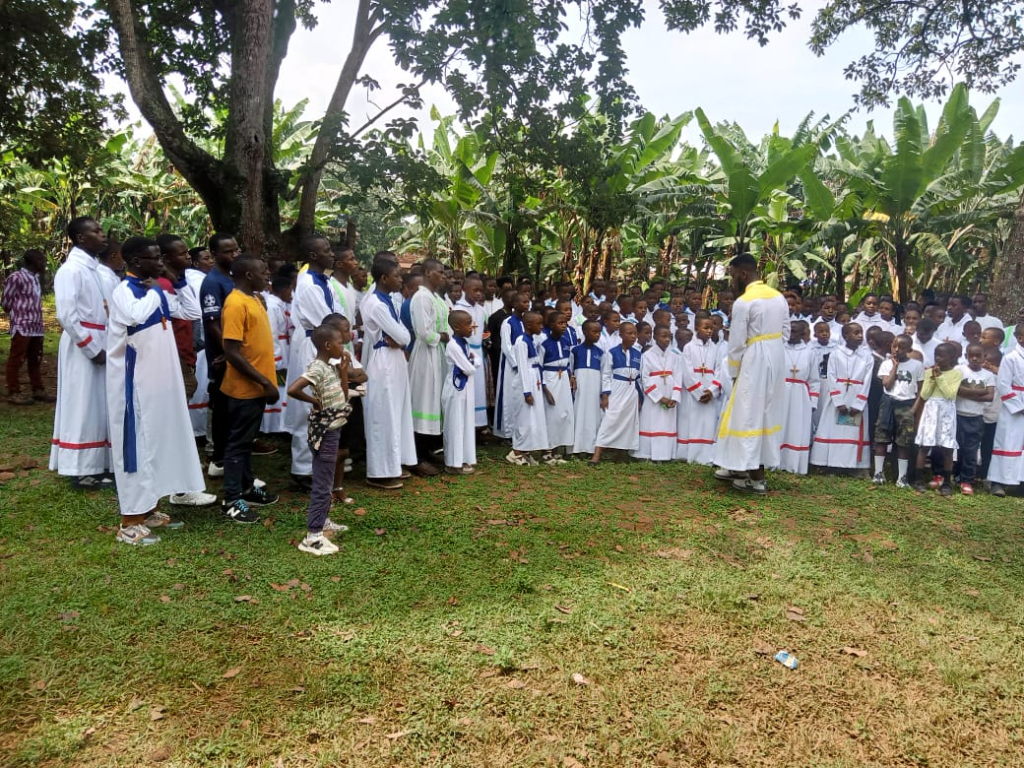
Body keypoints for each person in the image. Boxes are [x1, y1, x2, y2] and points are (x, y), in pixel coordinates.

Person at [106, 237, 210, 545]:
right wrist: (155, 290)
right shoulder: (124, 291)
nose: (161, 263)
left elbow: (192, 311)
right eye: (155, 258)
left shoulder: (156, 291)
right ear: (137, 262)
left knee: (157, 441)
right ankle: (130, 521)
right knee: (136, 446)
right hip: (134, 383)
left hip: (160, 380)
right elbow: (134, 316)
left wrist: (179, 283)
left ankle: (150, 509)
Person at [712, 254, 790, 494]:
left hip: (754, 358)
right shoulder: (778, 297)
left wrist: (735, 371)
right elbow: (786, 332)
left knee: (748, 414)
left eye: (733, 275)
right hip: (776, 357)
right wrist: (772, 350)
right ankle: (737, 466)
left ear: (743, 274)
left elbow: (736, 343)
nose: (732, 281)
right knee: (757, 412)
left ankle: (756, 479)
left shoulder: (744, 302)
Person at [50, 216, 113, 488]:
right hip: (83, 344)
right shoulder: (71, 270)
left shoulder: (97, 270)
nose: (103, 234)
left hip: (102, 338)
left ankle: (98, 463)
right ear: (81, 238)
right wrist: (92, 348)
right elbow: (66, 314)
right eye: (96, 231)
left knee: (99, 403)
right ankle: (80, 468)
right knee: (82, 403)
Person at [219, 256, 281, 523]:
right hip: (245, 389)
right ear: (247, 274)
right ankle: (232, 500)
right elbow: (232, 351)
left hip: (257, 387)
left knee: (246, 442)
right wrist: (264, 382)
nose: (267, 274)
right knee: (237, 444)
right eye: (262, 271)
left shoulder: (254, 298)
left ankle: (246, 487)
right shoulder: (235, 303)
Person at [286, 323, 353, 555]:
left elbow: (343, 396)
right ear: (327, 345)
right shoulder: (317, 368)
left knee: (326, 479)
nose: (343, 346)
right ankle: (313, 536)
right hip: (324, 432)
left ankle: (323, 522)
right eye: (340, 343)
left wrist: (343, 372)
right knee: (323, 484)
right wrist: (314, 402)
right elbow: (293, 389)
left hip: (333, 429)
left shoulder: (329, 367)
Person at [285, 236, 337, 491]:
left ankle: (316, 464)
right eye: (326, 250)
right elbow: (326, 321)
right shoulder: (308, 284)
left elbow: (337, 315)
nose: (332, 254)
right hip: (313, 346)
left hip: (323, 345)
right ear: (313, 256)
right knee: (308, 408)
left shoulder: (324, 280)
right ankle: (303, 470)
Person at [362, 255, 417, 489]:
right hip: (384, 359)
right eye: (397, 276)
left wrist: (402, 338)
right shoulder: (376, 303)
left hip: (395, 359)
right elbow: (403, 336)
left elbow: (404, 335)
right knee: (384, 415)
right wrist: (401, 338)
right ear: (384, 278)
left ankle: (396, 462)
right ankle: (379, 472)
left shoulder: (389, 300)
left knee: (398, 411)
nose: (401, 280)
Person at [199, 233, 242, 478]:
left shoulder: (235, 278)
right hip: (223, 356)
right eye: (228, 251)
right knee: (223, 406)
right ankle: (219, 458)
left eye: (236, 250)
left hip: (239, 353)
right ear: (215, 254)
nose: (234, 255)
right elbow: (213, 324)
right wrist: (229, 351)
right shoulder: (213, 282)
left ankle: (233, 455)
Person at [810, 323, 873, 473]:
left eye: (861, 332)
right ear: (845, 336)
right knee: (833, 429)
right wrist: (838, 401)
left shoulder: (867, 357)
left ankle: (853, 466)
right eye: (856, 333)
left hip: (857, 395)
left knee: (853, 431)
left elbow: (867, 381)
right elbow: (831, 377)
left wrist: (859, 403)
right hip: (838, 396)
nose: (860, 336)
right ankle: (830, 463)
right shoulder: (836, 354)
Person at [407, 258, 449, 473]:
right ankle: (416, 457)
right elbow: (423, 332)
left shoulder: (436, 297)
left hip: (438, 353)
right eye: (440, 272)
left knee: (434, 400)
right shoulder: (421, 297)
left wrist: (448, 335)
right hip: (426, 355)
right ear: (428, 273)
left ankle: (427, 449)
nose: (443, 276)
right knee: (424, 401)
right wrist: (441, 336)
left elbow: (446, 323)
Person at [871, 334, 923, 487]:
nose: (897, 350)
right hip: (888, 402)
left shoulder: (917, 365)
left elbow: (921, 390)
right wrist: (895, 366)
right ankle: (878, 473)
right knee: (881, 438)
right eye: (894, 346)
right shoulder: (886, 364)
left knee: (903, 442)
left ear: (909, 349)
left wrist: (913, 409)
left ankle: (902, 477)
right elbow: (887, 385)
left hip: (907, 404)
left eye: (902, 347)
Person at [913, 343, 963, 496]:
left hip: (946, 410)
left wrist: (940, 377)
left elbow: (950, 394)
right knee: (925, 446)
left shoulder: (956, 374)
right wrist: (932, 378)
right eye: (936, 355)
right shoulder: (929, 372)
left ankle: (947, 482)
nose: (938, 358)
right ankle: (918, 480)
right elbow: (924, 394)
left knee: (947, 448)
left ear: (952, 358)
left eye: (942, 356)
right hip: (931, 409)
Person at [2, 249, 51, 405]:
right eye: (40, 260)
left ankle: (38, 390)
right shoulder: (16, 277)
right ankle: (13, 392)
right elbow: (5, 301)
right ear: (31, 262)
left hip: (36, 326)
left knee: (35, 358)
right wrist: (17, 314)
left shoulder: (36, 278)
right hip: (22, 325)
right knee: (16, 359)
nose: (44, 263)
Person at [590, 321, 641, 464]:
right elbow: (606, 374)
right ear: (621, 335)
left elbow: (639, 378)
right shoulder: (612, 352)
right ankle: (597, 454)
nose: (633, 336)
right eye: (629, 333)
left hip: (631, 390)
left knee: (628, 422)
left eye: (635, 333)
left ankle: (621, 453)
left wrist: (639, 397)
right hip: (617, 388)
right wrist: (605, 395)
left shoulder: (637, 353)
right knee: (610, 419)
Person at [678, 315, 721, 465]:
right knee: (693, 422)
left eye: (711, 328)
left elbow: (719, 371)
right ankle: (691, 454)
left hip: (709, 392)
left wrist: (711, 391)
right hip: (693, 394)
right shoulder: (689, 347)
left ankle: (706, 456)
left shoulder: (715, 348)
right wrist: (699, 392)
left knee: (708, 424)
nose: (709, 331)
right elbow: (687, 372)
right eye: (705, 327)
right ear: (697, 328)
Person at [507, 311, 549, 466]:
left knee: (533, 418)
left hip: (535, 378)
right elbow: (523, 368)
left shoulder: (532, 339)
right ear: (529, 325)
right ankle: (516, 451)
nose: (542, 326)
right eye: (539, 323)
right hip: (526, 382)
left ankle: (526, 450)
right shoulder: (521, 342)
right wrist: (527, 391)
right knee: (524, 418)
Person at [633, 324, 680, 462]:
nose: (667, 339)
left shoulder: (674, 356)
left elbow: (678, 377)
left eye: (669, 337)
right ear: (655, 337)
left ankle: (665, 454)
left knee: (667, 423)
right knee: (651, 422)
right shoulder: (647, 355)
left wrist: (674, 396)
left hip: (670, 393)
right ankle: (647, 454)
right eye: (663, 336)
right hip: (653, 396)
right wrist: (660, 397)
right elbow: (645, 378)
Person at [441, 309, 480, 474]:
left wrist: (472, 361)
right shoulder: (453, 345)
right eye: (467, 324)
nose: (472, 327)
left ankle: (463, 458)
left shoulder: (463, 342)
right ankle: (453, 463)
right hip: (456, 388)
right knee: (455, 424)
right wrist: (471, 362)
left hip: (465, 388)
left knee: (465, 422)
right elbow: (469, 368)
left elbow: (476, 359)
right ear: (456, 327)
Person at [987, 324, 1024, 497]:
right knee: (1007, 441)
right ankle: (998, 481)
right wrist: (1019, 406)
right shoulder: (1011, 358)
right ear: (1020, 338)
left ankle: (1020, 482)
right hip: (1014, 407)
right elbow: (1003, 384)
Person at [955, 342, 996, 495]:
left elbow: (990, 396)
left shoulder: (988, 375)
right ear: (966, 356)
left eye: (978, 356)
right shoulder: (959, 370)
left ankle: (967, 480)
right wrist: (979, 392)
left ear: (984, 357)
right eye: (971, 355)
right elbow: (955, 389)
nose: (974, 359)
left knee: (971, 451)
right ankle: (956, 475)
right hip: (957, 414)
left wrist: (966, 393)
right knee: (957, 448)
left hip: (976, 418)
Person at [777, 320, 817, 474]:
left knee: (797, 429)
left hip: (801, 396)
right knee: (779, 426)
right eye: (789, 330)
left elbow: (814, 380)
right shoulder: (779, 348)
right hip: (781, 392)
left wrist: (813, 401)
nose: (790, 334)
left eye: (794, 331)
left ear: (802, 333)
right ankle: (776, 462)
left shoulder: (809, 352)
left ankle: (794, 464)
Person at [539, 309, 574, 464]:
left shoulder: (566, 342)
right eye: (560, 323)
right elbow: (539, 367)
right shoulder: (544, 344)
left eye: (565, 323)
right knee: (551, 415)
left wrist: (571, 376)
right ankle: (546, 451)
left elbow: (568, 363)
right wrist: (545, 388)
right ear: (551, 325)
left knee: (564, 413)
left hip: (563, 378)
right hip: (550, 378)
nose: (564, 326)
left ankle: (557, 449)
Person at [261, 271, 293, 434]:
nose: (292, 294)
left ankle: (277, 424)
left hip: (284, 349)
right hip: (277, 351)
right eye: (290, 290)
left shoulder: (280, 304)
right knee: (277, 386)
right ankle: (271, 427)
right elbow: (272, 333)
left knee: (281, 386)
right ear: (284, 289)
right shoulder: (272, 307)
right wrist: (276, 357)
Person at [455, 276, 489, 428]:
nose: (479, 294)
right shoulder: (458, 309)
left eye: (481, 290)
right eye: (475, 290)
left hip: (478, 351)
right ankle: (465, 423)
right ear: (464, 289)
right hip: (464, 351)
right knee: (467, 387)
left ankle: (478, 424)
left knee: (478, 389)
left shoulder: (481, 310)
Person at [494, 292, 528, 439]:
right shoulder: (508, 322)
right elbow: (506, 346)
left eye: (528, 302)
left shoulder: (527, 321)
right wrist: (516, 363)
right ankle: (506, 431)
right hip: (510, 365)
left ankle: (519, 430)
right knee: (507, 396)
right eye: (523, 302)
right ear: (514, 304)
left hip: (525, 363)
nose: (527, 304)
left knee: (519, 397)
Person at [570, 320, 604, 455]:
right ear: (584, 332)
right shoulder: (575, 350)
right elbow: (570, 368)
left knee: (593, 416)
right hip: (580, 387)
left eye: (599, 332)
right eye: (594, 332)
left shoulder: (601, 352)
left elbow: (603, 372)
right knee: (578, 413)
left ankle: (590, 448)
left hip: (595, 388)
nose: (597, 335)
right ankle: (575, 447)